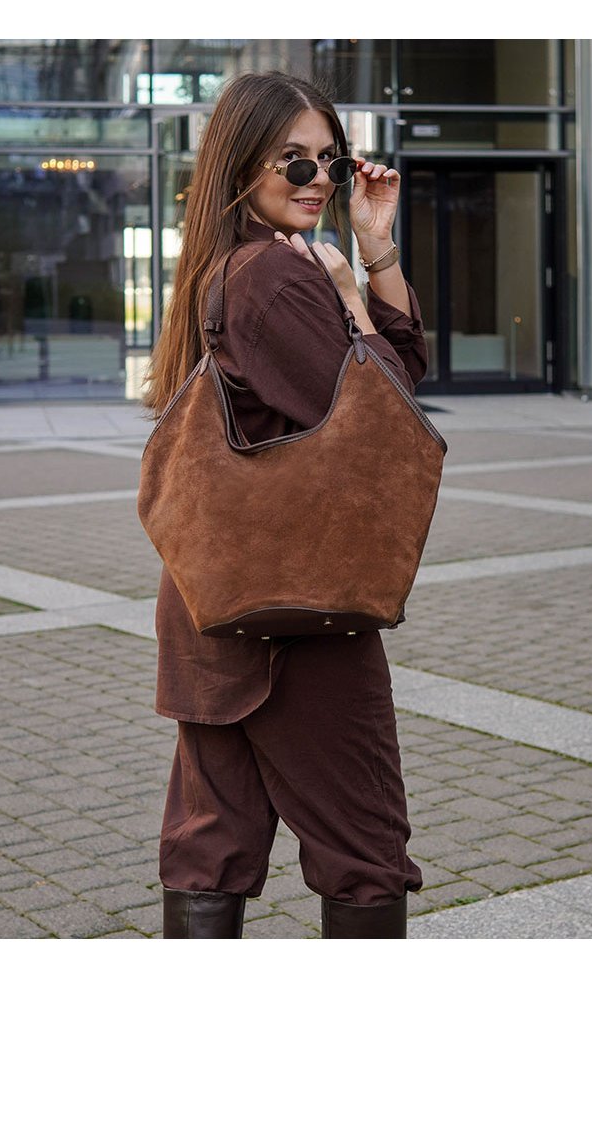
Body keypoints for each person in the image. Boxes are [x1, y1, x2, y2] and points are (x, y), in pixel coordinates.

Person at [139, 70, 430, 938]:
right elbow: (392, 411)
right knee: (365, 850)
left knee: (211, 844)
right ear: (242, 165)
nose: (317, 180)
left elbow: (392, 376)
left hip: (213, 607)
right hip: (300, 617)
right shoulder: (276, 276)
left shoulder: (225, 267)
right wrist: (355, 289)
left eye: (330, 161)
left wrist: (374, 249)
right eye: (293, 160)